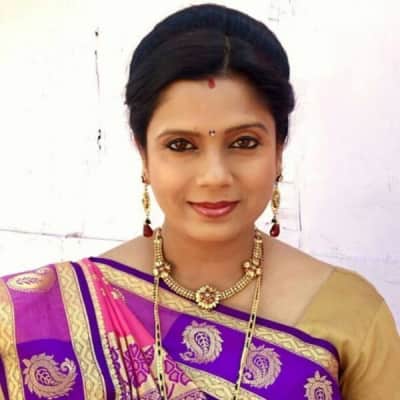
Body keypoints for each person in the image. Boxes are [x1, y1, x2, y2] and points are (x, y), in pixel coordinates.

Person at [0, 3, 399, 399]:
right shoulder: (23, 318)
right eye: (181, 145)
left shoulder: (351, 314)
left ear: (279, 151)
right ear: (144, 154)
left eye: (245, 142)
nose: (215, 176)